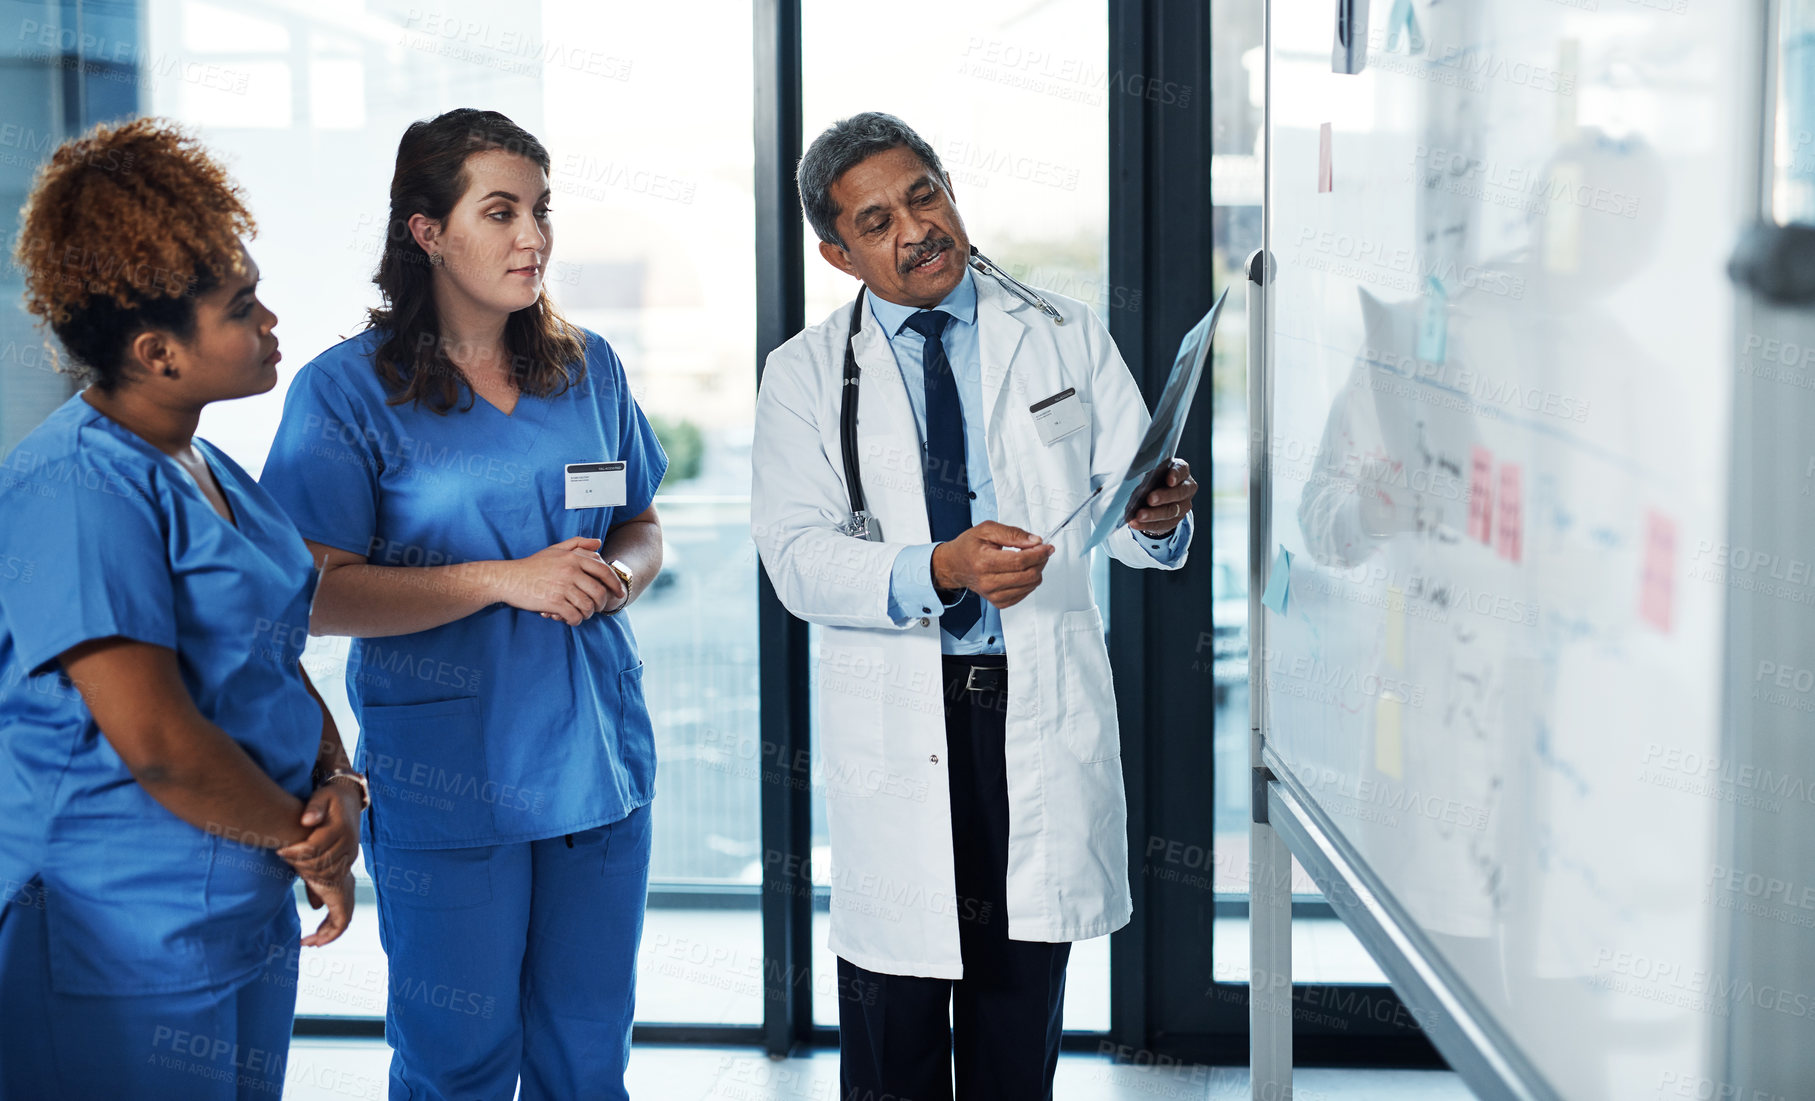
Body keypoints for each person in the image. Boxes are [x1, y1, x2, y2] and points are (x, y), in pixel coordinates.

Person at [750, 111, 1199, 1101]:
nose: (916, 228)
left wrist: (1157, 517)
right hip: (902, 711)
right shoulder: (805, 376)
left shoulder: (1062, 332)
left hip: (1030, 708)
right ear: (838, 252)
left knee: (1016, 1008)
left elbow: (1125, 520)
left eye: (924, 194)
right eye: (877, 220)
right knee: (894, 1019)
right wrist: (939, 568)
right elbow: (797, 562)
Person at [259, 108, 666, 1101]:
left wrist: (621, 578)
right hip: (454, 778)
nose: (533, 238)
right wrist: (502, 578)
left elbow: (643, 522)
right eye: (500, 212)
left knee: (586, 1056)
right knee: (459, 1060)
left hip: (597, 767)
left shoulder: (587, 367)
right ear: (427, 231)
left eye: (541, 210)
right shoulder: (345, 393)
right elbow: (312, 592)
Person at [0, 118, 359, 1100]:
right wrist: (300, 832)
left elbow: (264, 664)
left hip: (236, 900)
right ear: (158, 352)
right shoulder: (72, 488)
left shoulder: (204, 465)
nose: (272, 322)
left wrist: (340, 786)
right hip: (121, 931)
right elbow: (154, 738)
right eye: (243, 307)